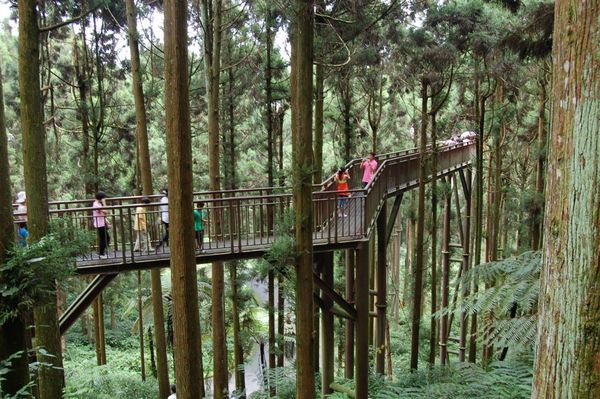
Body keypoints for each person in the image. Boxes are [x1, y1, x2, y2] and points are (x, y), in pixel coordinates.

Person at [92, 191, 110, 259]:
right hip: (99, 224)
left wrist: (106, 220)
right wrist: (104, 203)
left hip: (101, 223)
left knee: (105, 238)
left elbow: (102, 214)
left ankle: (102, 252)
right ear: (101, 198)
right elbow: (106, 211)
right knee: (104, 239)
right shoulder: (96, 205)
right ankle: (101, 254)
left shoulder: (97, 203)